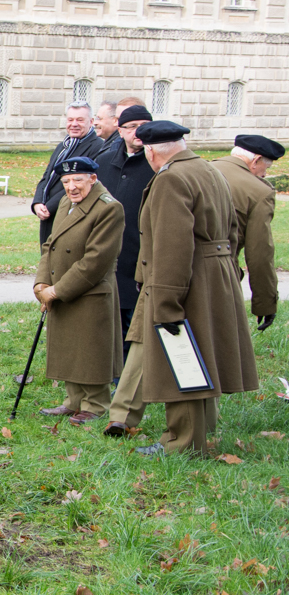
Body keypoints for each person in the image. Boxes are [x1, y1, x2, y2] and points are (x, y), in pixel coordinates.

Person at [125, 122, 258, 457]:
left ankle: (182, 443)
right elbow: (233, 231)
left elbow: (173, 247)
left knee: (180, 356)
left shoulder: (171, 178)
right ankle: (201, 431)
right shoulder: (210, 171)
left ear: (151, 151)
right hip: (215, 275)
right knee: (204, 355)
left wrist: (167, 301)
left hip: (190, 278)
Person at [33, 157, 125, 425]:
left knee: (91, 350)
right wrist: (41, 283)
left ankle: (95, 404)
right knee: (69, 347)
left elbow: (95, 261)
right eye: (66, 181)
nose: (71, 186)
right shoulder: (65, 202)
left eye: (77, 180)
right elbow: (50, 245)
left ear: (93, 179)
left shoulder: (109, 208)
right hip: (60, 286)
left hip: (90, 292)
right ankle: (73, 401)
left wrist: (56, 291)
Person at [95, 104, 154, 349]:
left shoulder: (157, 164)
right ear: (120, 131)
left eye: (144, 126)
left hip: (140, 255)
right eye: (131, 127)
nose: (137, 132)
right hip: (107, 253)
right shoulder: (104, 161)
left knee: (136, 331)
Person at [211, 134, 282, 332]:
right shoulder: (259, 191)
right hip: (220, 276)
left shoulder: (201, 170)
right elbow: (259, 254)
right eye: (266, 168)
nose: (264, 175)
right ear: (256, 160)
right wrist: (265, 303)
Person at [32, 102, 106, 244]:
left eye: (80, 120)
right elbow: (47, 176)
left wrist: (49, 207)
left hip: (70, 213)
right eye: (70, 120)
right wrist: (37, 202)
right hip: (48, 214)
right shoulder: (63, 145)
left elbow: (81, 184)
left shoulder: (98, 147)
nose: (74, 124)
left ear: (91, 122)